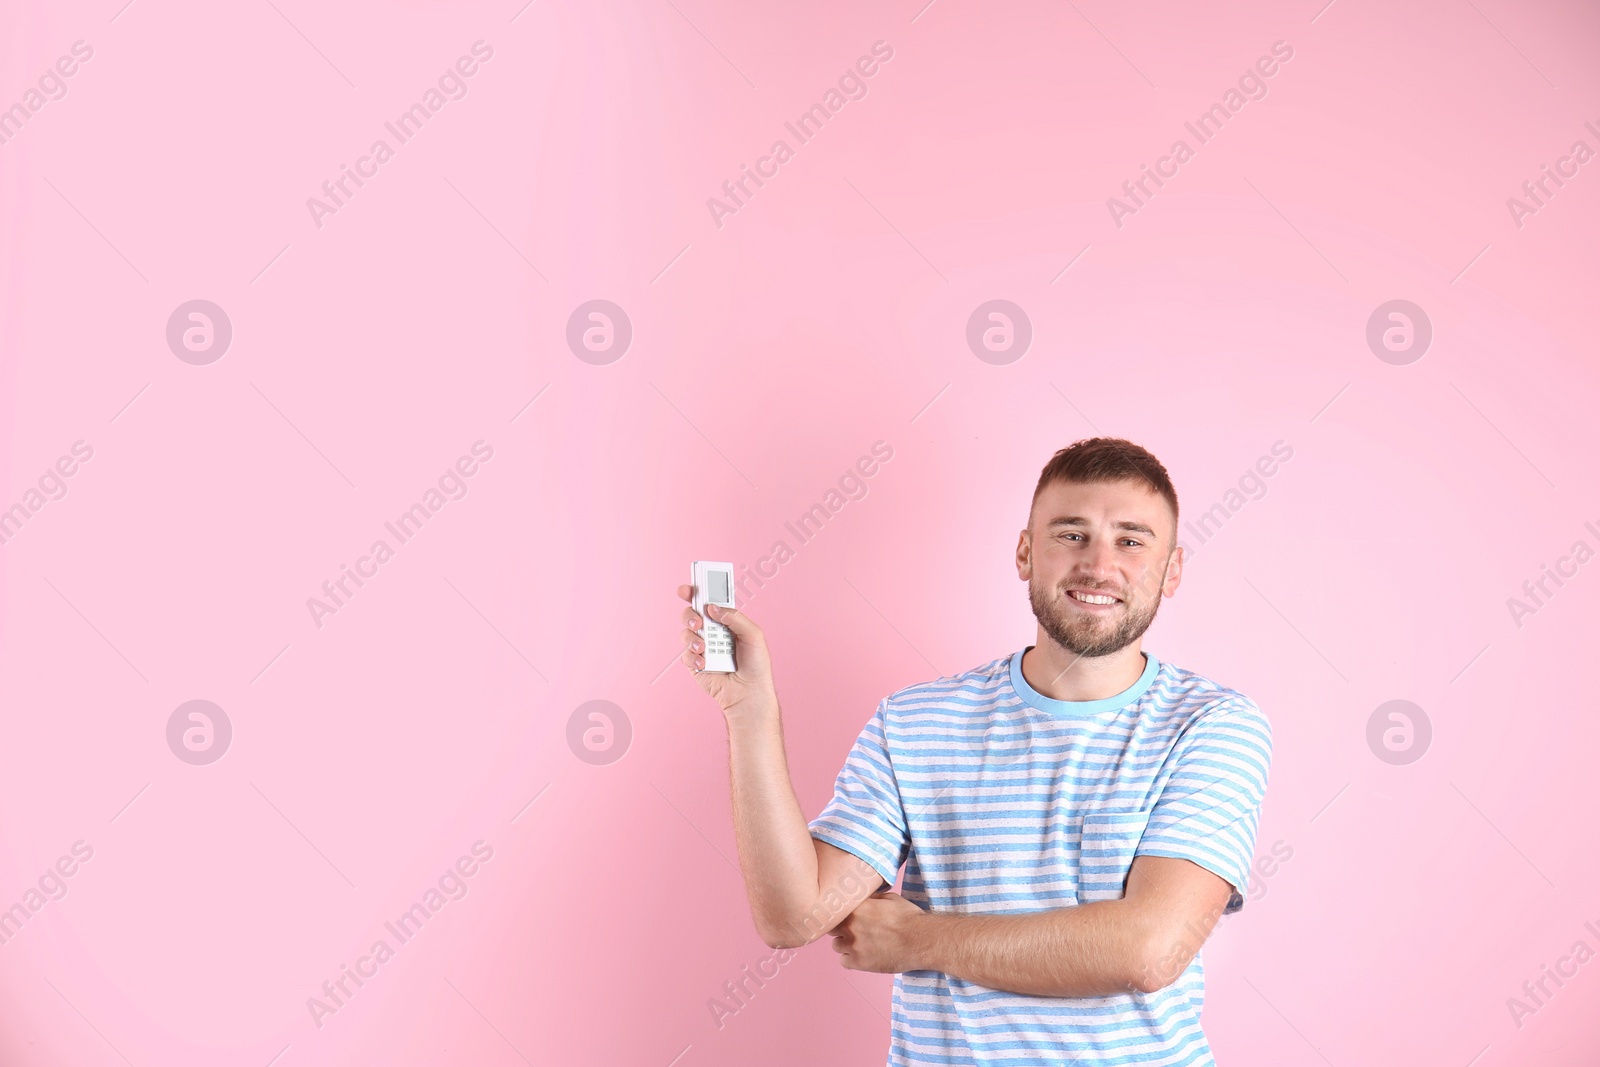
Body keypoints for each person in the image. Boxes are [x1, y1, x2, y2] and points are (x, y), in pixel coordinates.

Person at [678, 437, 1273, 1066]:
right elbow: (795, 915)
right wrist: (749, 713)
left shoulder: (1212, 726)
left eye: (1131, 540)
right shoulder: (915, 721)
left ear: (1172, 570)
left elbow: (1150, 950)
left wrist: (921, 940)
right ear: (1025, 552)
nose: (1100, 565)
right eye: (1071, 534)